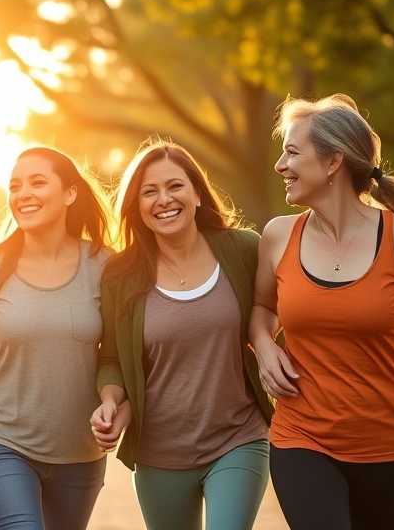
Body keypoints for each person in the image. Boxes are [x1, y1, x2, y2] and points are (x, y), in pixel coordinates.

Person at [250, 94, 394, 530]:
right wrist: (264, 346)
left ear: (333, 162)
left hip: (390, 448)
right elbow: (262, 308)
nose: (280, 165)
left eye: (292, 153)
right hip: (301, 438)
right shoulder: (278, 236)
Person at [91, 137, 276, 530]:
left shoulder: (244, 249)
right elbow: (111, 359)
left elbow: (276, 314)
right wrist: (110, 401)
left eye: (175, 186)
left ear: (197, 193)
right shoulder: (120, 275)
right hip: (159, 452)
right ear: (137, 206)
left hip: (238, 437)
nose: (164, 200)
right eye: (149, 192)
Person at [0, 146, 114, 530]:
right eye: (15, 186)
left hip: (80, 453)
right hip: (1, 442)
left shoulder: (105, 266)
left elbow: (116, 357)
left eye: (38, 182)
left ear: (69, 194)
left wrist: (117, 405)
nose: (23, 194)